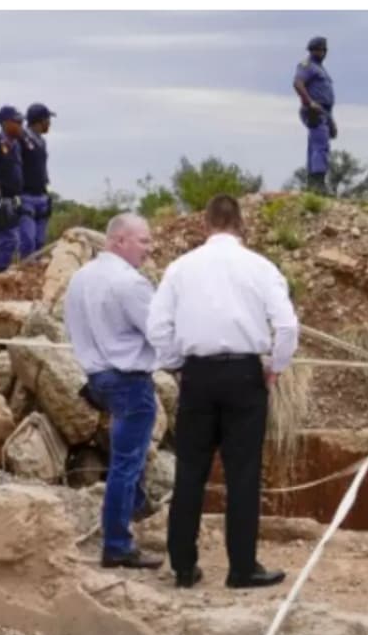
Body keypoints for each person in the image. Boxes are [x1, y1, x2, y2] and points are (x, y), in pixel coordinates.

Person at [147, 195, 299, 590]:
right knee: (243, 474)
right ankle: (242, 568)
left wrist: (177, 364)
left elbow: (157, 326)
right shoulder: (260, 267)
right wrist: (275, 368)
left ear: (205, 225)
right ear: (241, 225)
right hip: (245, 375)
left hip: (197, 374)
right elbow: (286, 326)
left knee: (190, 472)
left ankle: (182, 565)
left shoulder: (181, 268)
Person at [63, 213, 163, 570]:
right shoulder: (130, 283)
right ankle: (118, 543)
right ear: (119, 240)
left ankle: (137, 510)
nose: (149, 250)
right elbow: (160, 332)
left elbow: (69, 327)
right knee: (126, 462)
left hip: (97, 378)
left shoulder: (80, 278)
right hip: (128, 380)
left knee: (126, 458)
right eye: (144, 241)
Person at [0, 106, 36, 273]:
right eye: (17, 121)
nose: (22, 125)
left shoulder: (16, 145)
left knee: (16, 239)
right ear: (5, 123)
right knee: (8, 238)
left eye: (22, 121)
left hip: (14, 199)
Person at [293, 36, 337, 195]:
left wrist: (331, 120)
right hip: (314, 109)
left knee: (315, 145)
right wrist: (309, 102)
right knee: (320, 145)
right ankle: (318, 183)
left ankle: (312, 183)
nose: (320, 52)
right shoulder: (307, 65)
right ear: (311, 50)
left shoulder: (321, 69)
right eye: (316, 49)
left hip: (324, 111)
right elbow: (298, 83)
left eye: (322, 49)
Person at [20, 103, 56, 253]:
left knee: (39, 242)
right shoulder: (22, 138)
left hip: (41, 195)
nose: (50, 123)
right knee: (28, 240)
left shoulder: (41, 141)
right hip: (25, 195)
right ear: (41, 120)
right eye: (48, 119)